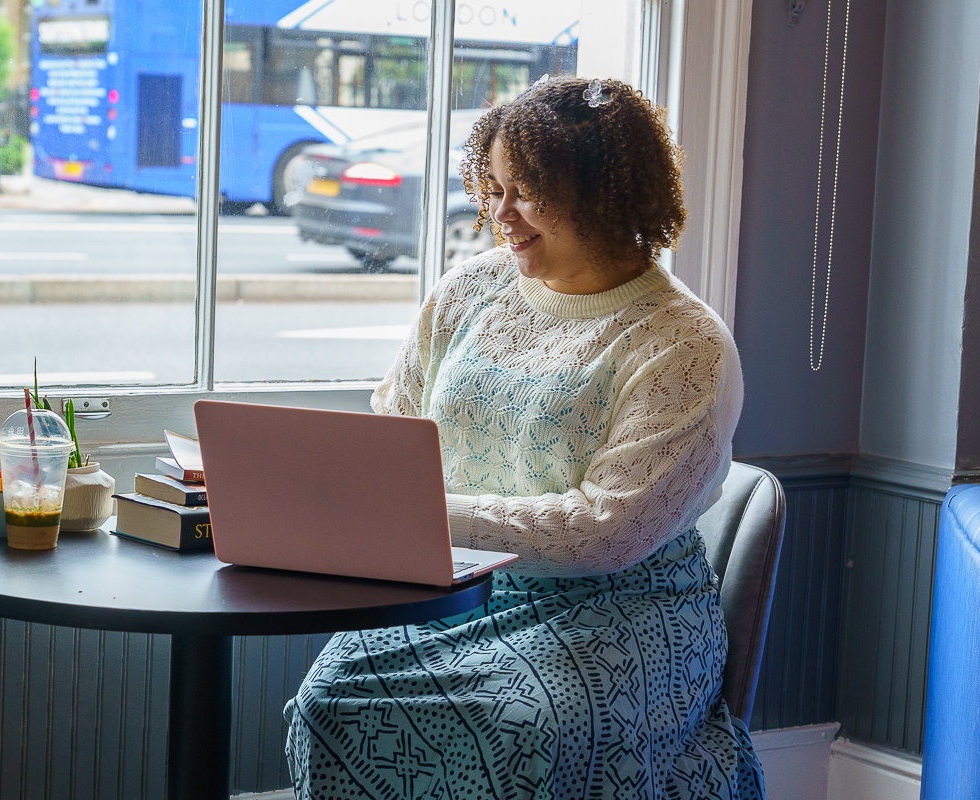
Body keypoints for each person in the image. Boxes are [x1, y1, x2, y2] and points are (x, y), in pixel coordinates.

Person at [283, 76, 765, 800]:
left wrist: (420, 516)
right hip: (446, 590)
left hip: (619, 610)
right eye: (494, 187)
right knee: (329, 704)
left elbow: (607, 532)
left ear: (603, 194)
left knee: (529, 732)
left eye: (528, 192)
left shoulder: (684, 343)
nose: (499, 215)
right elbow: (395, 429)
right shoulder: (470, 290)